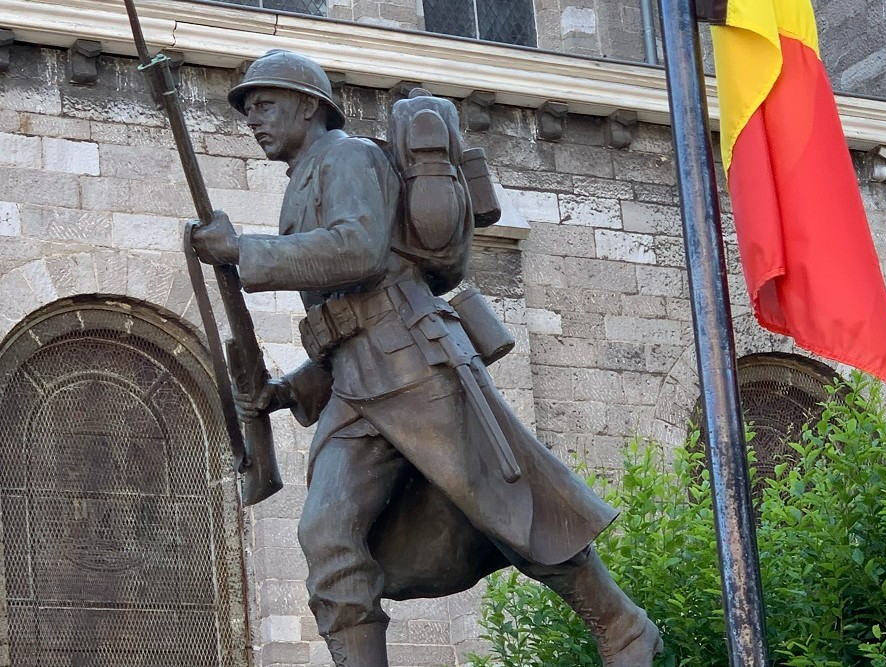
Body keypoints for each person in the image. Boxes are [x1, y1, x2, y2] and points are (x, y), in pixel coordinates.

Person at [191, 49, 662, 667]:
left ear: (310, 107)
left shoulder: (347, 156)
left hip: (415, 361)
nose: (254, 120)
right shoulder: (302, 182)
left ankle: (623, 626)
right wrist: (288, 389)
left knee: (501, 505)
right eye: (249, 109)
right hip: (355, 387)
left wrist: (242, 251)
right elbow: (343, 316)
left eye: (266, 104)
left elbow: (356, 251)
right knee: (327, 534)